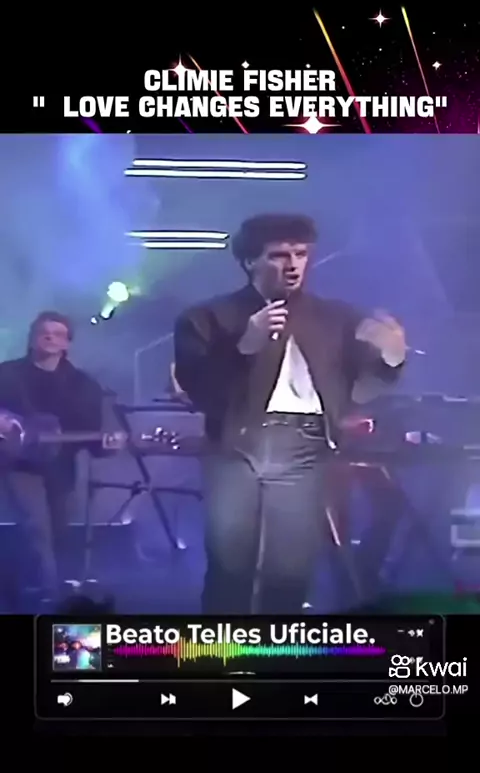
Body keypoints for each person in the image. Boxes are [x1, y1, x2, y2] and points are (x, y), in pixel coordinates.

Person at [174, 214, 407, 613]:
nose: (293, 264)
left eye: (301, 254)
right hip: (237, 444)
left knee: (291, 569)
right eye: (279, 255)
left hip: (307, 442)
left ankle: (279, 647)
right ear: (250, 261)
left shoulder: (335, 317)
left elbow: (363, 385)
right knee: (231, 565)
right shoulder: (207, 317)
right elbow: (200, 388)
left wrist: (392, 356)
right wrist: (245, 346)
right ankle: (223, 645)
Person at [0, 311, 122, 601]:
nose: (49, 337)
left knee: (60, 529)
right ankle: (48, 593)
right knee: (35, 525)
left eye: (57, 334)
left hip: (61, 465)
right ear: (31, 339)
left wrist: (110, 444)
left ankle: (45, 585)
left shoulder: (83, 385)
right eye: (43, 332)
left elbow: (94, 434)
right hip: (17, 464)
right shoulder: (6, 374)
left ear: (67, 343)